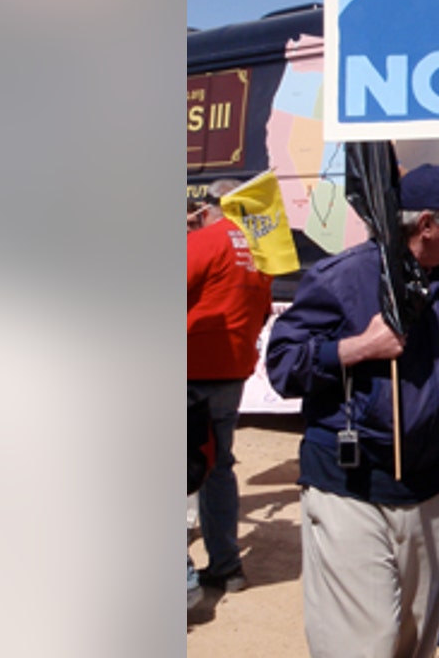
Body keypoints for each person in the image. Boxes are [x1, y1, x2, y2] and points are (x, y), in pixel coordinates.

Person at [264, 165, 439, 658]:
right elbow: (282, 366)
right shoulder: (343, 277)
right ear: (428, 223)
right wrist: (356, 347)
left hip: (431, 489)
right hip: (351, 488)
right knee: (360, 646)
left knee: (415, 639)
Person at [186, 177, 275, 593]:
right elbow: (262, 313)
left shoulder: (205, 241)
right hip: (232, 371)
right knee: (218, 466)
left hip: (190, 369)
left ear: (210, 207)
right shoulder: (258, 250)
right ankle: (226, 564)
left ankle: (183, 576)